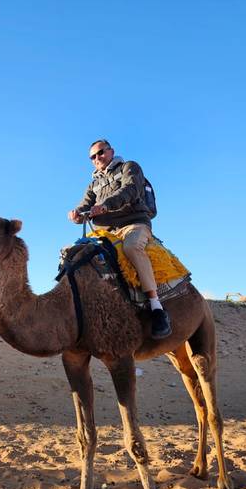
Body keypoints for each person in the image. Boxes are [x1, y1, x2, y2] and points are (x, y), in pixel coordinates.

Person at [67, 138, 172, 339]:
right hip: (105, 231)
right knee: (76, 255)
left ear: (111, 151)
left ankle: (156, 306)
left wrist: (106, 205)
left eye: (100, 153)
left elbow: (130, 190)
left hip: (133, 224)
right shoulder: (93, 184)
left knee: (132, 247)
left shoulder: (129, 167)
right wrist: (76, 214)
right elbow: (85, 204)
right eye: (93, 157)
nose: (97, 158)